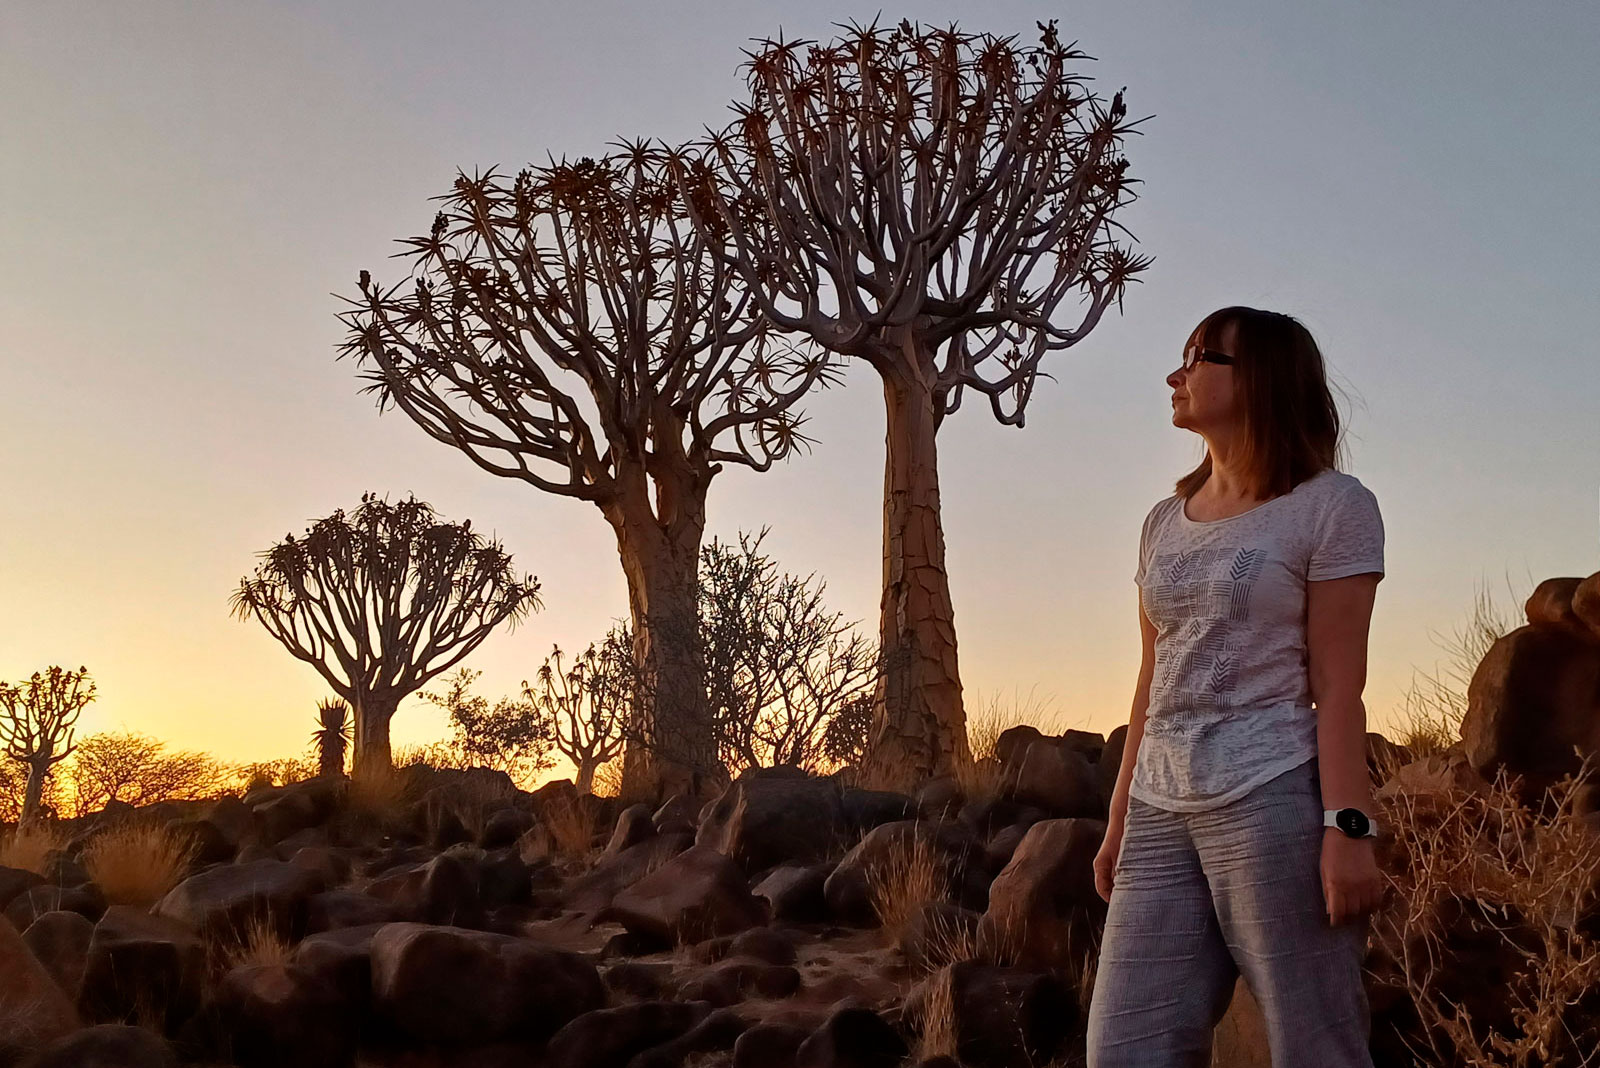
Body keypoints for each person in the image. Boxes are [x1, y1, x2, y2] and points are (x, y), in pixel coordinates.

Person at [1085, 306, 1387, 1068]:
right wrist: (1120, 812)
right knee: (1124, 1051)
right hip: (1159, 806)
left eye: (1201, 358)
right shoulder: (1163, 522)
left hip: (1271, 796)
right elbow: (1154, 676)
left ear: (1260, 380)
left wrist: (1348, 829)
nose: (1175, 375)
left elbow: (1339, 685)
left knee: (1314, 1048)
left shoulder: (1331, 506)